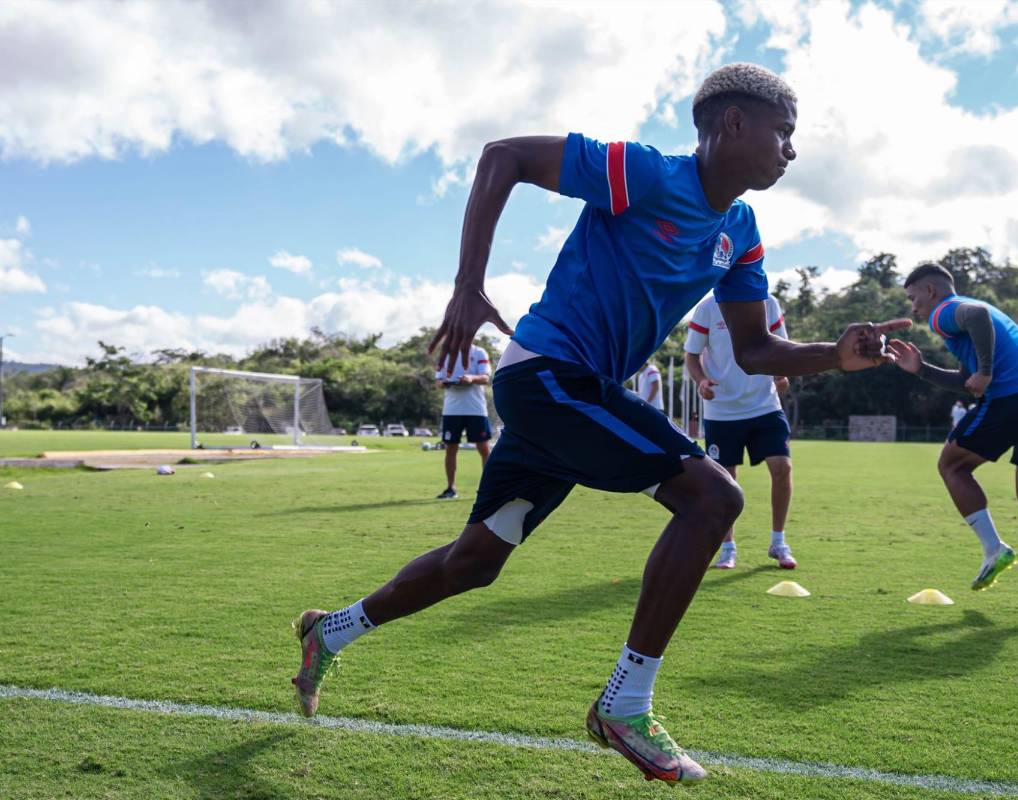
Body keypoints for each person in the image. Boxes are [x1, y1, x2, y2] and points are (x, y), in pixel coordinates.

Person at [291, 63, 908, 785]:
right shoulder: (644, 174)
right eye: (784, 133)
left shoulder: (739, 231)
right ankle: (626, 704)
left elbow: (756, 349)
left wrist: (835, 355)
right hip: (548, 376)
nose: (791, 152)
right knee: (714, 498)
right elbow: (503, 156)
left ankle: (328, 631)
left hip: (570, 399)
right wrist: (467, 286)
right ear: (734, 124)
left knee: (475, 563)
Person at [889, 263, 1018, 618]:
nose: (913, 308)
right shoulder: (962, 322)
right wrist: (920, 370)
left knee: (951, 466)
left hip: (1014, 399)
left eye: (913, 298)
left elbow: (977, 317)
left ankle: (993, 548)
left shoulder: (946, 312)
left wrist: (986, 371)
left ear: (931, 291)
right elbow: (965, 382)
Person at [684, 294, 795, 569]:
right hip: (721, 410)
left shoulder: (768, 303)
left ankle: (778, 542)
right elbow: (691, 355)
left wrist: (782, 373)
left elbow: (782, 348)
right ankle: (727, 548)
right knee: (725, 481)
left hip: (765, 405)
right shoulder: (707, 308)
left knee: (782, 467)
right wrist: (701, 381)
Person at [434, 341, 493, 499]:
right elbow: (438, 380)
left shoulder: (479, 352)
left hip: (476, 409)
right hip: (452, 410)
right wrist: (444, 383)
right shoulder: (445, 354)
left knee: (484, 449)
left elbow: (486, 378)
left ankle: (488, 489)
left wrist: (471, 379)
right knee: (450, 449)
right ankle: (450, 489)